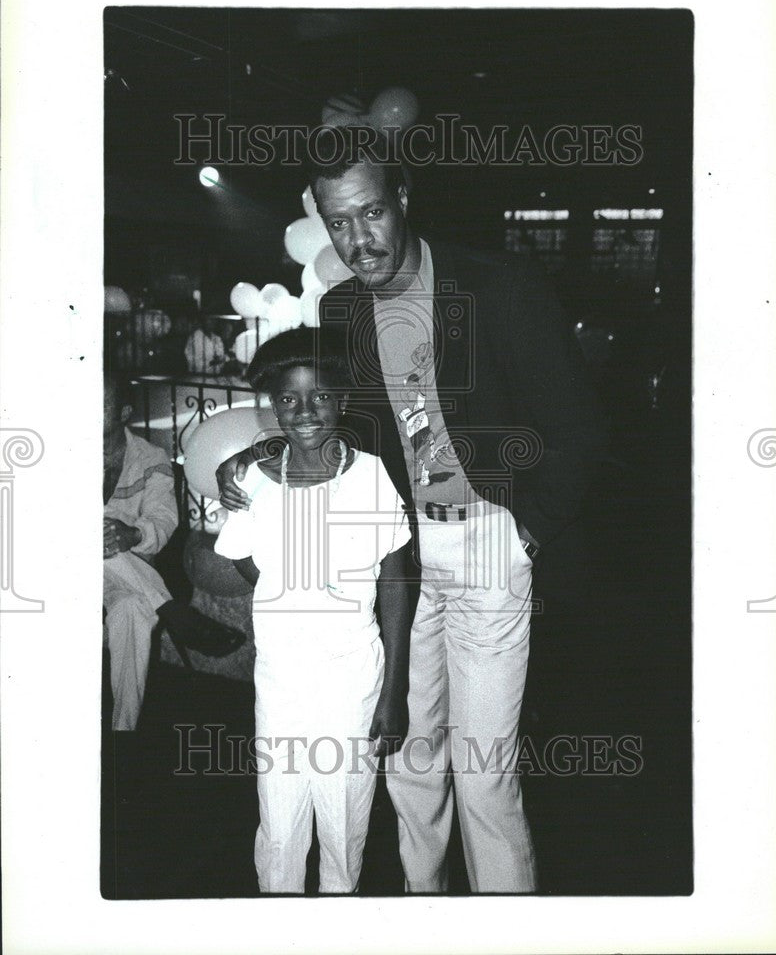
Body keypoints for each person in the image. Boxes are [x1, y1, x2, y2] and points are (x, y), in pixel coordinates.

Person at [217, 128, 606, 893]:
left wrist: (523, 531)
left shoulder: (497, 287)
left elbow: (580, 430)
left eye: (370, 214)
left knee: (484, 769)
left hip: (492, 543)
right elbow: (336, 431)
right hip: (402, 553)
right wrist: (256, 455)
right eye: (338, 223)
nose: (357, 239)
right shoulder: (341, 315)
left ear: (402, 199)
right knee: (408, 755)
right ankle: (421, 911)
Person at [213, 327, 414, 894]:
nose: (305, 411)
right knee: (278, 817)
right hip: (280, 678)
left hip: (351, 676)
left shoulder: (371, 475)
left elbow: (396, 583)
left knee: (345, 818)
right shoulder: (253, 480)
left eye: (321, 396)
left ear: (343, 401)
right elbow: (244, 561)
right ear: (271, 406)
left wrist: (394, 691)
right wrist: (291, 587)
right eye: (288, 399)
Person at [103, 369, 178, 731]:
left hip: (124, 579)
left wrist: (132, 535)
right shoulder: (59, 451)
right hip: (62, 574)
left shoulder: (151, 458)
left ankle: (123, 733)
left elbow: (164, 521)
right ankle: (167, 605)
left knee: (131, 609)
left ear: (124, 412)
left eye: (100, 403)